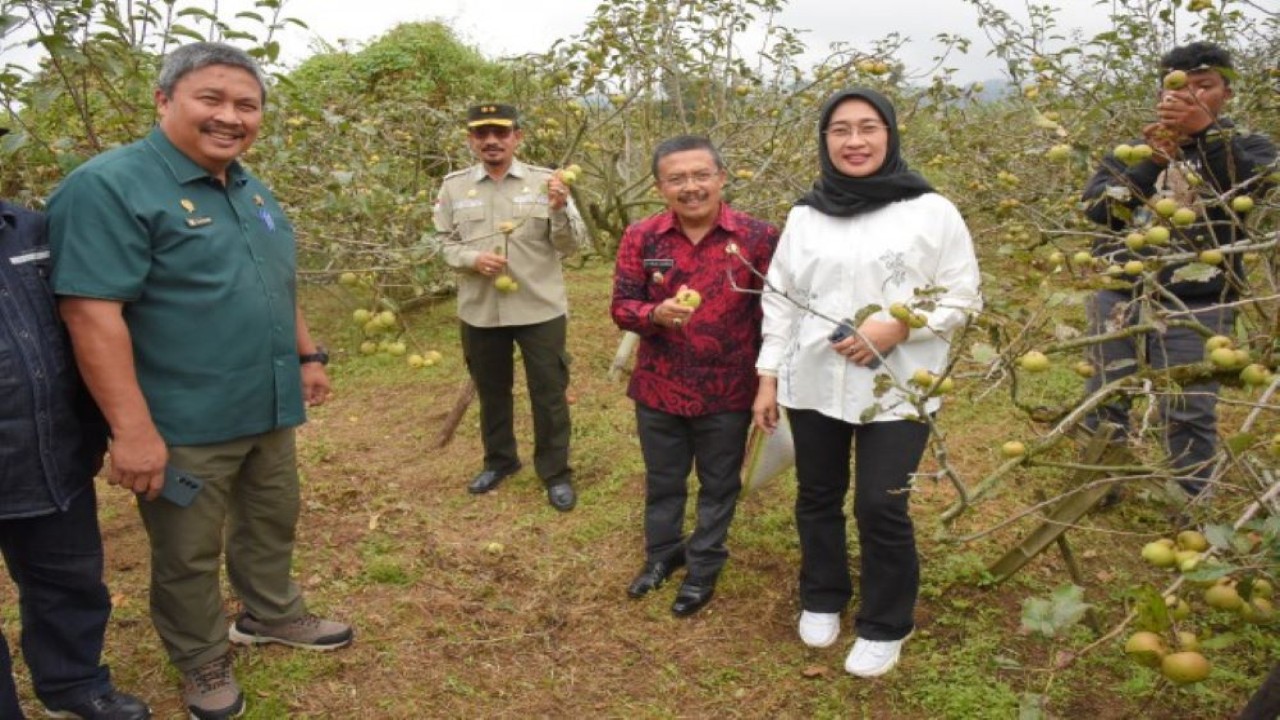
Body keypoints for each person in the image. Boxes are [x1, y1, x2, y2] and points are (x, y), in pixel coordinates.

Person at [47, 43, 352, 720]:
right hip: (182, 420)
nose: (230, 117)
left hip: (266, 404)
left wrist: (308, 355)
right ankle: (201, 657)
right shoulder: (109, 186)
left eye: (246, 105)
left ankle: (271, 613)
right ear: (164, 101)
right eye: (210, 98)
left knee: (272, 519)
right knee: (187, 552)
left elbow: (273, 278)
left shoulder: (246, 184)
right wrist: (132, 431)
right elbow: (91, 314)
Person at [752, 89, 981, 676]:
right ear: (825, 141)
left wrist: (899, 325)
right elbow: (779, 300)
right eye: (840, 130)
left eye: (868, 128)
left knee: (881, 504)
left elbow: (963, 297)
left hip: (899, 387)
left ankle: (886, 622)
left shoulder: (932, 211)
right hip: (814, 378)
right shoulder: (806, 215)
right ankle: (823, 594)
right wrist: (768, 375)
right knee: (817, 494)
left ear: (890, 134)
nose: (854, 142)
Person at [1080, 41, 1276, 496]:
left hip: (1201, 300)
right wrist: (1152, 162)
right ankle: (1100, 488)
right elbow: (1098, 212)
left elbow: (1252, 193)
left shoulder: (1247, 147)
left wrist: (1205, 136)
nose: (1187, 96)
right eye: (1176, 87)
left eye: (1203, 86)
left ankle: (1192, 505)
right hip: (1121, 290)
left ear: (1226, 93)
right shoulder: (1133, 151)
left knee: (1189, 406)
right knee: (1106, 395)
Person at [610, 136, 779, 617]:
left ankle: (703, 565)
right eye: (676, 179)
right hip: (659, 386)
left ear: (721, 178)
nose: (691, 187)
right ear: (660, 186)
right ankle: (661, 556)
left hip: (727, 388)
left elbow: (777, 314)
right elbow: (621, 305)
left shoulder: (758, 238)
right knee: (663, 480)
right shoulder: (642, 237)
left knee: (719, 482)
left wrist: (771, 380)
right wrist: (652, 313)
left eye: (701, 175)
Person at [0, 189, 150, 720]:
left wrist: (100, 428)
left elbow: (83, 325)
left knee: (69, 581)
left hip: (48, 454)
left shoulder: (34, 232)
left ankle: (73, 684)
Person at [435, 103, 586, 512]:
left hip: (540, 308)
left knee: (549, 393)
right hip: (480, 310)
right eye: (481, 134)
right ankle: (500, 461)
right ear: (471, 140)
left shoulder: (546, 183)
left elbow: (572, 245)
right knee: (492, 391)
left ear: (517, 137)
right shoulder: (453, 187)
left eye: (500, 133)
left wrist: (559, 209)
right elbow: (441, 242)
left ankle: (555, 472)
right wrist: (472, 260)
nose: (491, 141)